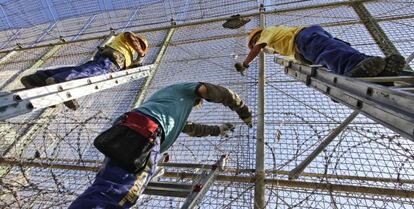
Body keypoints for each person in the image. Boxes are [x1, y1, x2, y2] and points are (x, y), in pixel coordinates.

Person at [68, 82, 252, 209]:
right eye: (199, 101)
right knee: (119, 191)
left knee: (111, 186)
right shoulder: (185, 90)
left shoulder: (167, 105)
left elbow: (191, 128)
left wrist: (218, 130)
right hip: (145, 133)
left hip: (136, 129)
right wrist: (243, 110)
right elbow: (217, 92)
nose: (198, 103)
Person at [20, 31, 149, 110]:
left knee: (82, 70)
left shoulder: (130, 55)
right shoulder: (129, 38)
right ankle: (61, 82)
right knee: (96, 74)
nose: (140, 48)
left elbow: (126, 67)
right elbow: (131, 37)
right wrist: (141, 54)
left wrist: (134, 64)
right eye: (141, 45)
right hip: (113, 58)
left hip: (111, 59)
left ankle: (37, 78)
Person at [235, 25, 406, 77]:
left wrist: (245, 64)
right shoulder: (277, 40)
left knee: (329, 54)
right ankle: (383, 67)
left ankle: (355, 67)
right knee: (338, 49)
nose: (256, 43)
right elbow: (270, 50)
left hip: (303, 38)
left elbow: (258, 48)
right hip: (310, 36)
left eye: (254, 40)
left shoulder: (267, 33)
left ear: (258, 35)